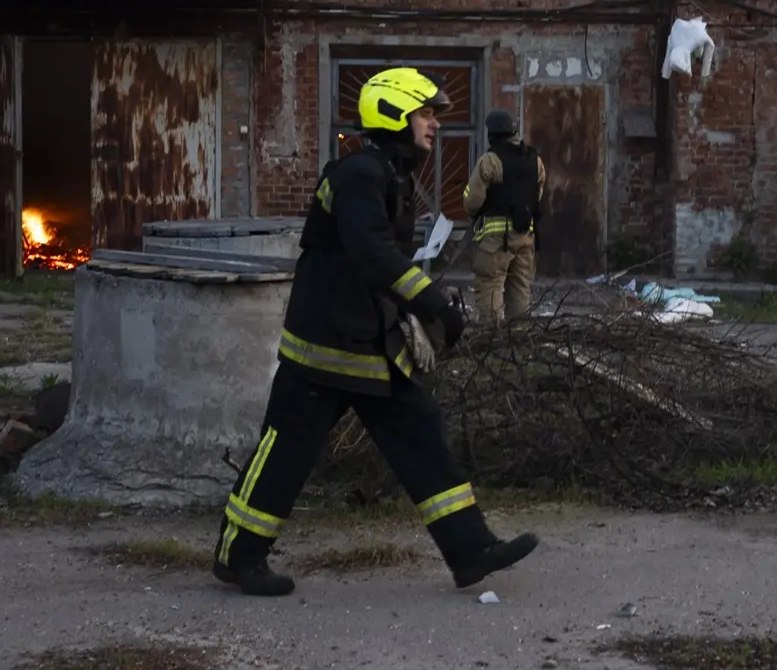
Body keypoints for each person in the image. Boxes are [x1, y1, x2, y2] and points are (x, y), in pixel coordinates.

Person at [213, 67, 540, 597]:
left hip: (368, 342)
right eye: (427, 114)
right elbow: (372, 253)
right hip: (322, 345)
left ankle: (471, 549)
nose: (435, 124)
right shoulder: (358, 175)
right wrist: (436, 305)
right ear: (394, 115)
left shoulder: (390, 174)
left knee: (422, 434)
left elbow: (383, 263)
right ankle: (238, 555)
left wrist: (412, 316)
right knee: (286, 452)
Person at [463, 109, 545, 323]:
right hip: (526, 238)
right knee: (519, 291)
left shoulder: (490, 161)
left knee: (490, 287)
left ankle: (492, 345)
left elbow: (472, 202)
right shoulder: (535, 160)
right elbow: (538, 196)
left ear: (492, 134)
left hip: (496, 243)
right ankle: (519, 346)